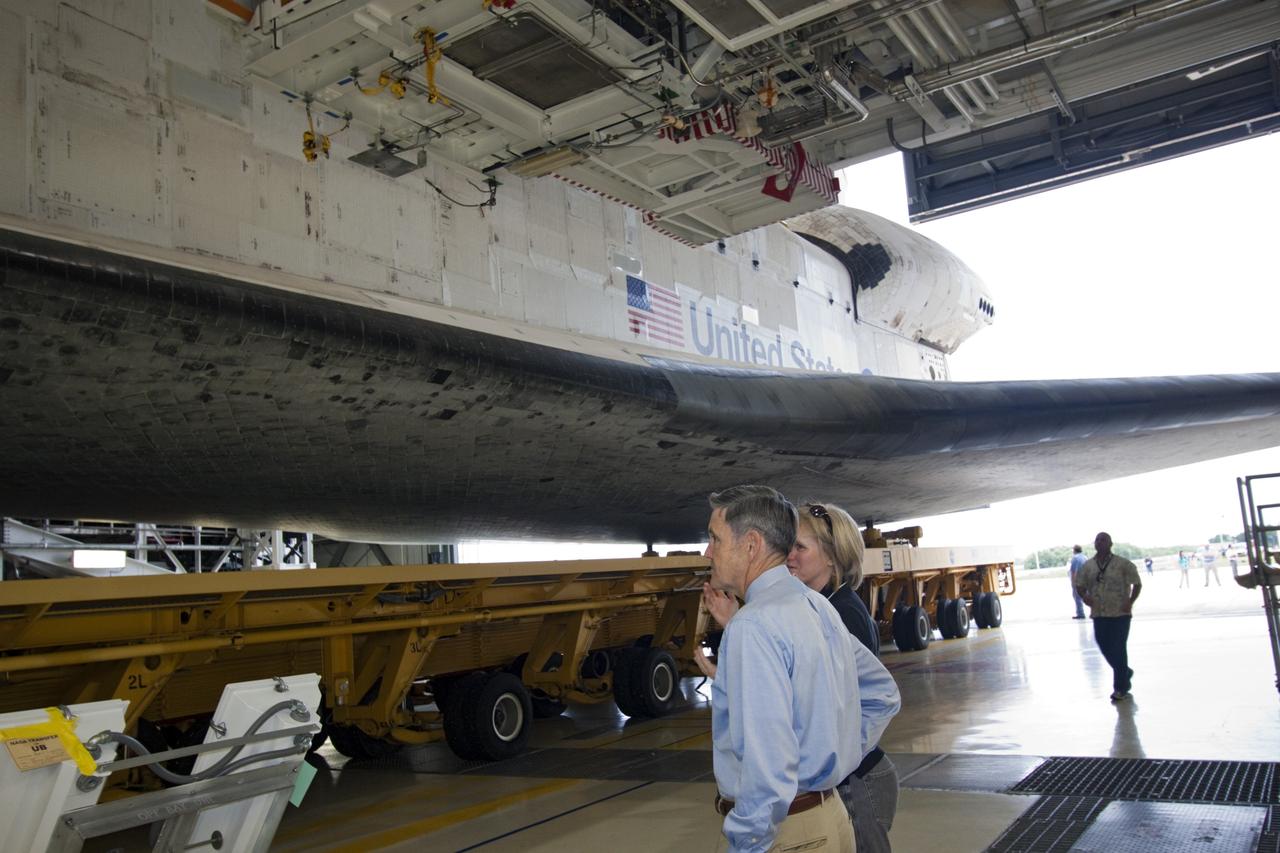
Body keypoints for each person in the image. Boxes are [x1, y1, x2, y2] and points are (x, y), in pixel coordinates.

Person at [697, 485, 899, 852]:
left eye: (715, 538)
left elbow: (768, 764)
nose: (707, 551)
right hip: (828, 818)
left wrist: (746, 843)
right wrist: (835, 755)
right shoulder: (816, 606)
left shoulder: (753, 625)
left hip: (786, 834)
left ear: (751, 545)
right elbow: (882, 694)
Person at [1074, 532, 1142, 701]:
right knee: (1104, 645)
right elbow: (1079, 585)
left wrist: (1130, 601)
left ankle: (1120, 688)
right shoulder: (1088, 566)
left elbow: (1137, 583)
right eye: (1097, 539)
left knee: (1119, 648)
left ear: (1111, 543)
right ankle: (1125, 671)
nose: (1100, 542)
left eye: (1104, 539)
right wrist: (1085, 597)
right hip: (1099, 613)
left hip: (1120, 613)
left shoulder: (1123, 564)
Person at [1068, 545, 1088, 619]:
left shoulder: (1075, 558)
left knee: (1077, 597)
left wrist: (1073, 582)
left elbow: (1074, 572)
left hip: (1079, 580)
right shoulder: (1085, 557)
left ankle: (1080, 614)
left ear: (1074, 550)